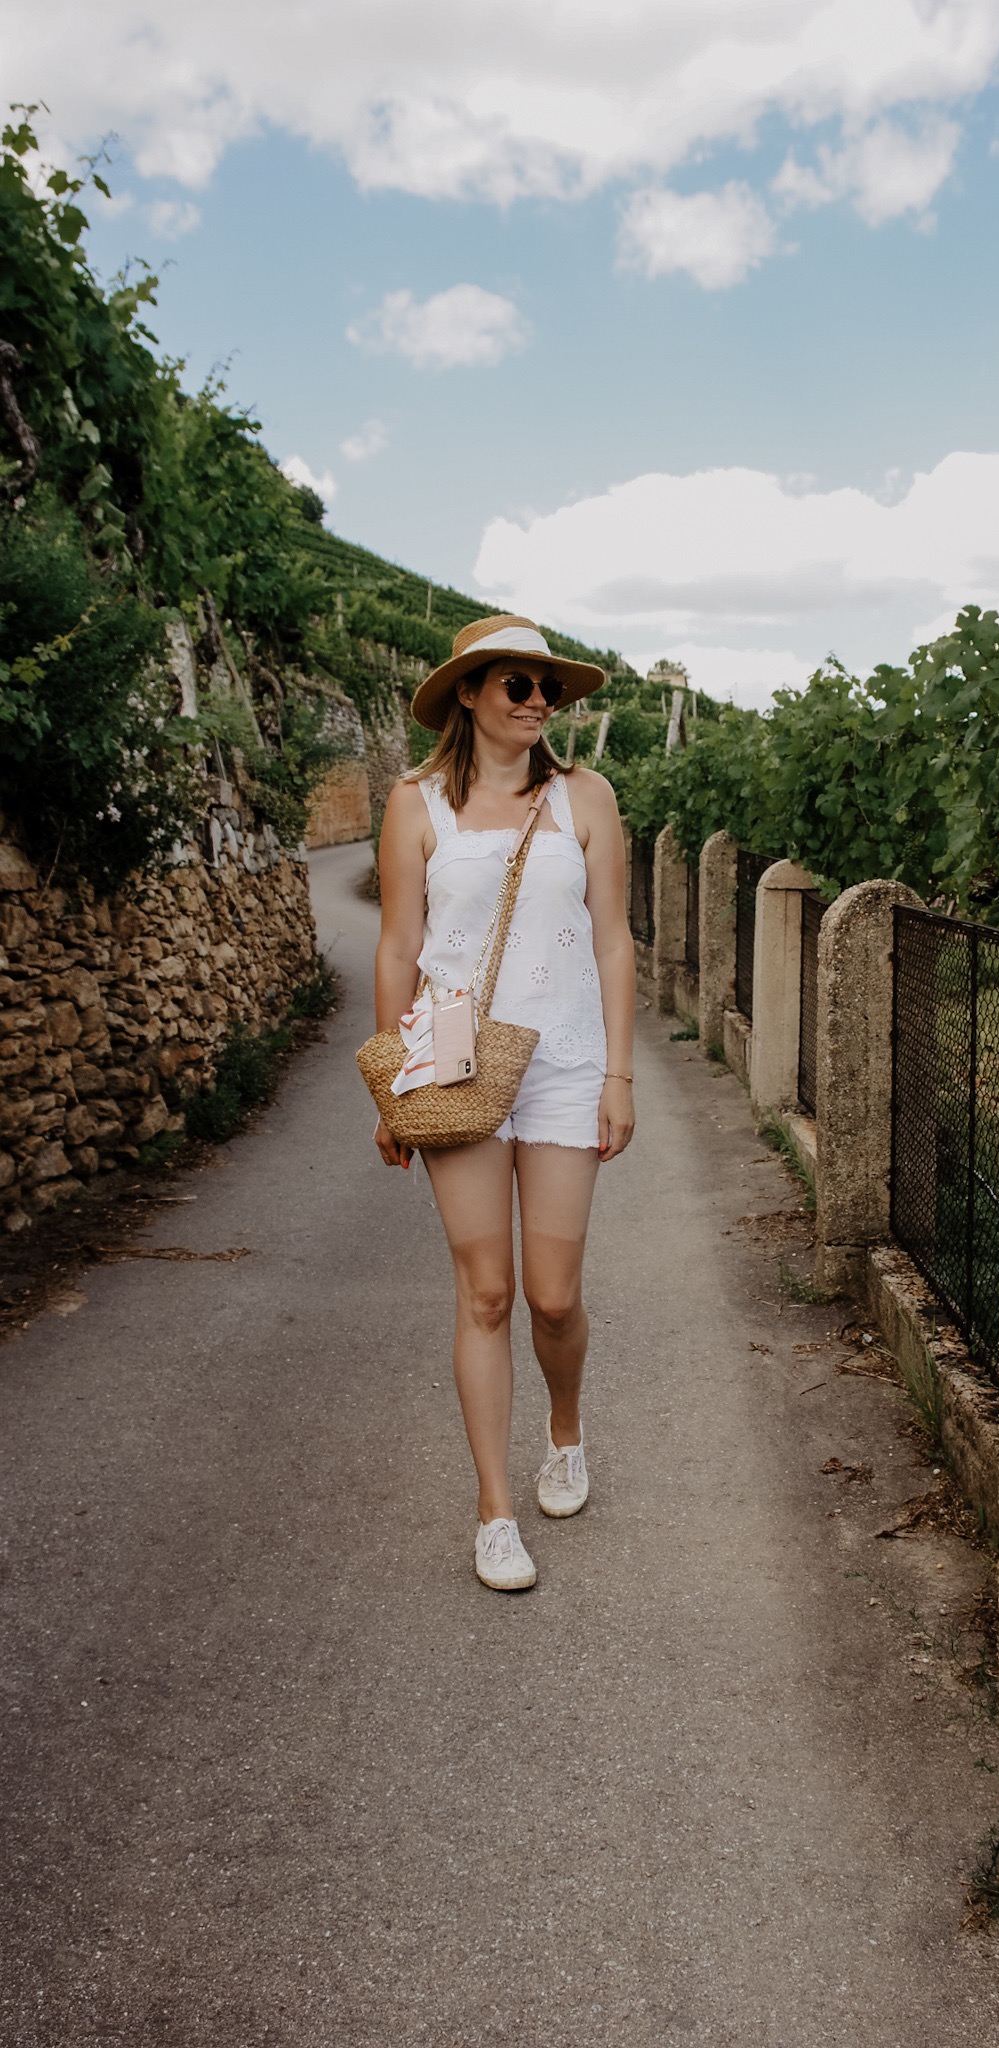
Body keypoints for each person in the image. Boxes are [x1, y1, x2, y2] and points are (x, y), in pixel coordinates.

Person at [373, 614, 635, 1591]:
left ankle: (564, 1431)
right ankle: (493, 1510)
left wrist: (619, 1073)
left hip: (566, 1058)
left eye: (546, 688)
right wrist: (396, 1084)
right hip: (450, 1056)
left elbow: (612, 938)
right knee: (483, 1291)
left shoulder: (586, 797)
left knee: (551, 1295)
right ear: (471, 694)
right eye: (518, 684)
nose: (537, 702)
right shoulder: (414, 804)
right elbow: (400, 947)